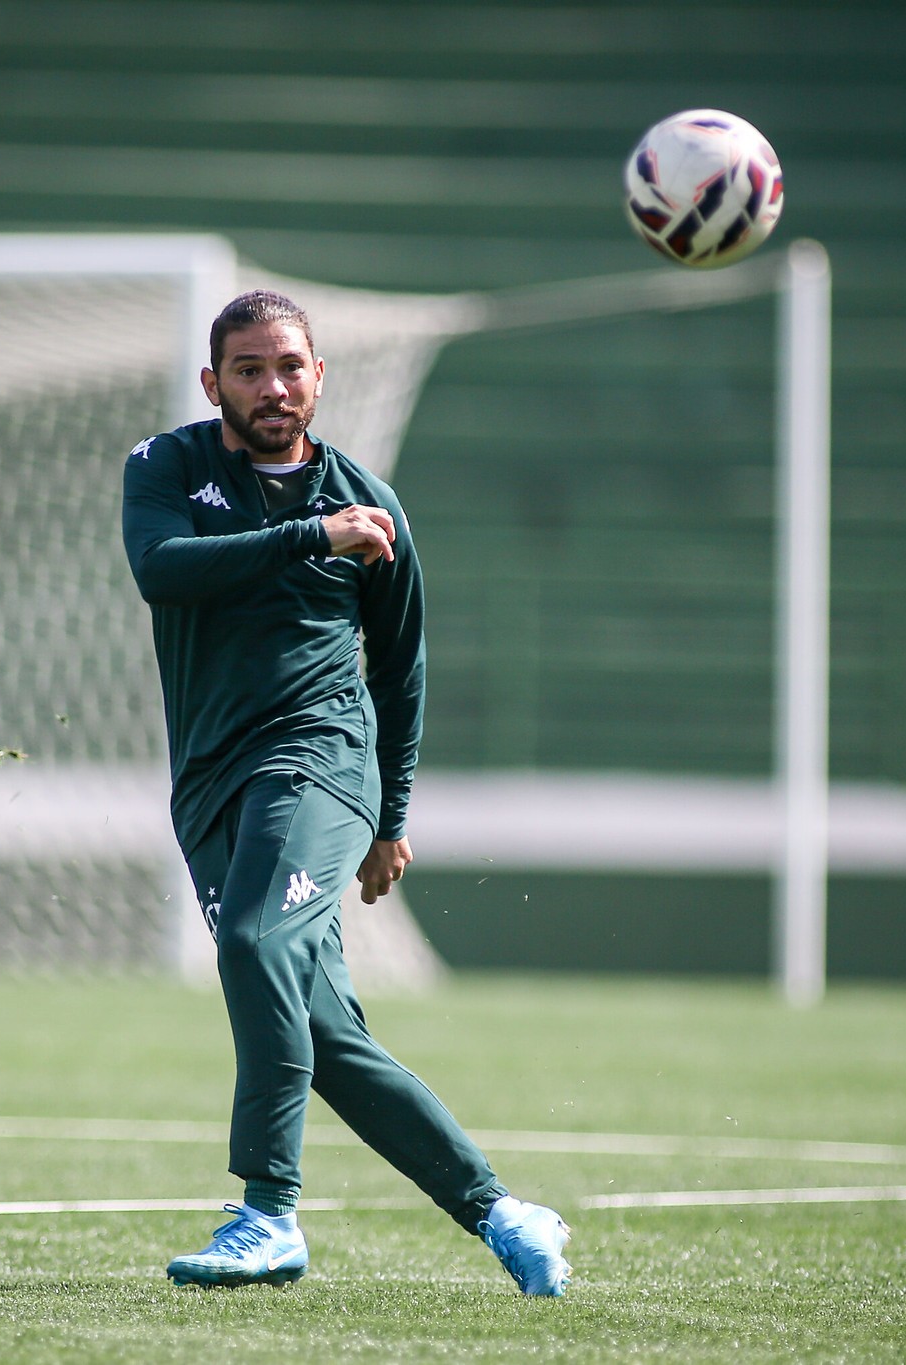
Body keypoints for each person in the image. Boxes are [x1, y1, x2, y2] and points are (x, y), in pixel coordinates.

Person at [121, 290, 571, 1296]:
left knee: (248, 944)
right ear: (213, 385)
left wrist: (391, 818)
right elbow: (162, 571)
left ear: (319, 376)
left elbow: (400, 671)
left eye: (290, 366)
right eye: (248, 369)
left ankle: (266, 1212)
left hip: (320, 763)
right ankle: (502, 1213)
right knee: (319, 1033)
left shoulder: (371, 505)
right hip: (208, 785)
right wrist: (309, 540)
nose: (272, 387)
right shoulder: (166, 467)